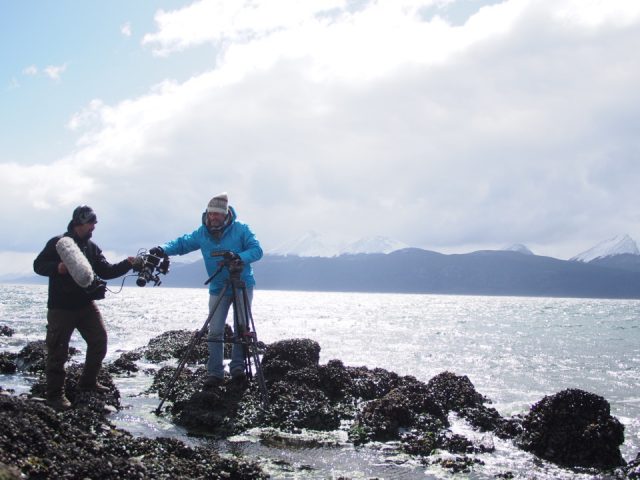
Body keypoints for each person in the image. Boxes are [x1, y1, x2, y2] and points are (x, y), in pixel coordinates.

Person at [150, 193, 262, 387]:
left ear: (226, 214)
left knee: (241, 329)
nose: (213, 218)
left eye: (217, 214)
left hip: (241, 284)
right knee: (215, 331)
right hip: (218, 287)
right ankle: (215, 373)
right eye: (210, 214)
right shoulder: (202, 233)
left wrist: (238, 257)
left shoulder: (241, 229)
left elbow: (257, 250)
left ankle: (238, 369)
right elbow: (182, 243)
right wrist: (162, 249)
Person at [33, 205, 135, 410]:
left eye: (94, 223)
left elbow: (106, 271)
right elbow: (38, 265)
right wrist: (57, 268)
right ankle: (55, 395)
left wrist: (129, 263)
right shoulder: (58, 243)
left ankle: (88, 383)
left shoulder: (92, 247)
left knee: (99, 340)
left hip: (85, 305)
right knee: (57, 351)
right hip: (61, 308)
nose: (93, 227)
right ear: (80, 222)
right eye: (91, 223)